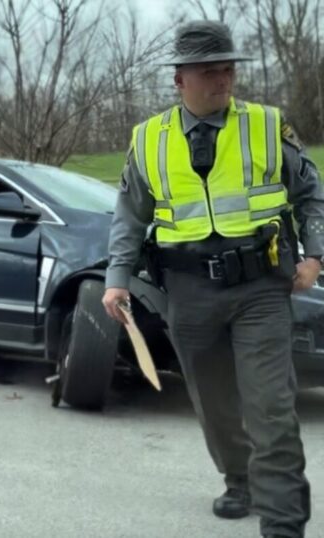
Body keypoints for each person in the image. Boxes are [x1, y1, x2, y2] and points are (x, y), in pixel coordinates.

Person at [103, 20, 324, 538]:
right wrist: (117, 277)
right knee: (215, 404)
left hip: (260, 287)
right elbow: (129, 216)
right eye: (209, 72)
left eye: (228, 70)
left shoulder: (267, 125)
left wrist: (315, 255)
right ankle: (239, 479)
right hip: (189, 291)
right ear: (180, 80)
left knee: (271, 406)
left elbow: (311, 194)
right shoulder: (149, 139)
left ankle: (283, 523)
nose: (223, 80)